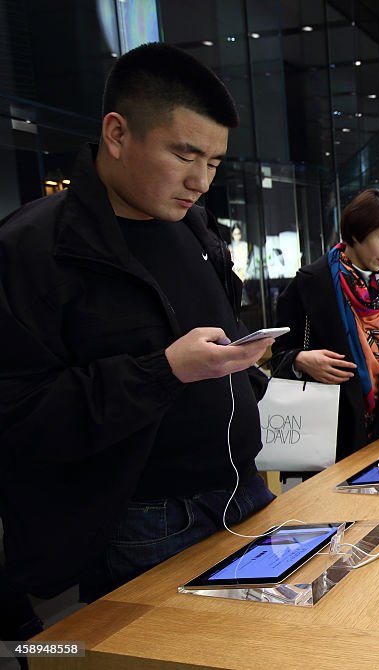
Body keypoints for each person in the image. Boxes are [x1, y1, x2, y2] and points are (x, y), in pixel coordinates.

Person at [0, 43, 276, 603]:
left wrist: (246, 373)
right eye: (184, 155)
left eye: (215, 163)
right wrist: (165, 371)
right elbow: (20, 415)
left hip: (245, 488)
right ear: (118, 134)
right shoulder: (33, 250)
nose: (201, 180)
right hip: (144, 522)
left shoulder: (197, 231)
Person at [270, 189, 379, 461]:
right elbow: (279, 355)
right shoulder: (310, 283)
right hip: (331, 432)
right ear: (356, 233)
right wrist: (301, 359)